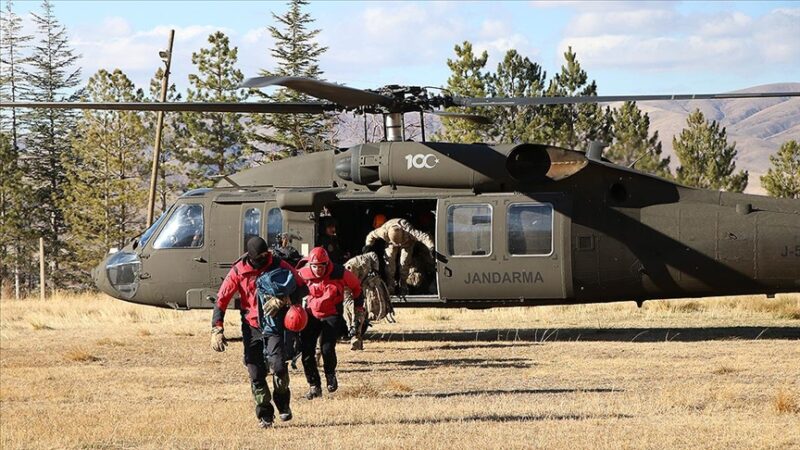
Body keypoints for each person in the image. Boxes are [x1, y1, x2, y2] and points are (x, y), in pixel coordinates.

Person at [210, 236, 307, 429]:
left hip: (274, 323)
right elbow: (222, 299)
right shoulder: (238, 270)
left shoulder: (279, 264)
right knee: (255, 371)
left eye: (266, 254)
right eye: (260, 256)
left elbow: (303, 287)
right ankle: (265, 413)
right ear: (251, 257)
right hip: (251, 325)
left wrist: (284, 299)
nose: (265, 258)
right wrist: (217, 328)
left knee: (279, 366)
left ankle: (283, 402)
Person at [297, 246, 362, 399]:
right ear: (309, 265)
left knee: (327, 348)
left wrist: (358, 309)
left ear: (327, 264)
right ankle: (314, 385)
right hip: (310, 315)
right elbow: (291, 289)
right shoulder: (301, 274)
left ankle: (330, 374)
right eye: (314, 266)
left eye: (321, 266)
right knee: (306, 352)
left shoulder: (340, 273)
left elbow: (357, 288)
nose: (318, 270)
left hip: (331, 314)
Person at [363, 217, 434, 295]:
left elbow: (423, 237)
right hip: (391, 243)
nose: (398, 245)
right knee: (389, 262)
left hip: (407, 243)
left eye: (399, 243)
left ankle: (403, 286)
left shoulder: (409, 231)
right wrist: (368, 245)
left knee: (404, 263)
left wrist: (431, 247)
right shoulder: (383, 231)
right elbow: (371, 235)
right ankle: (391, 286)